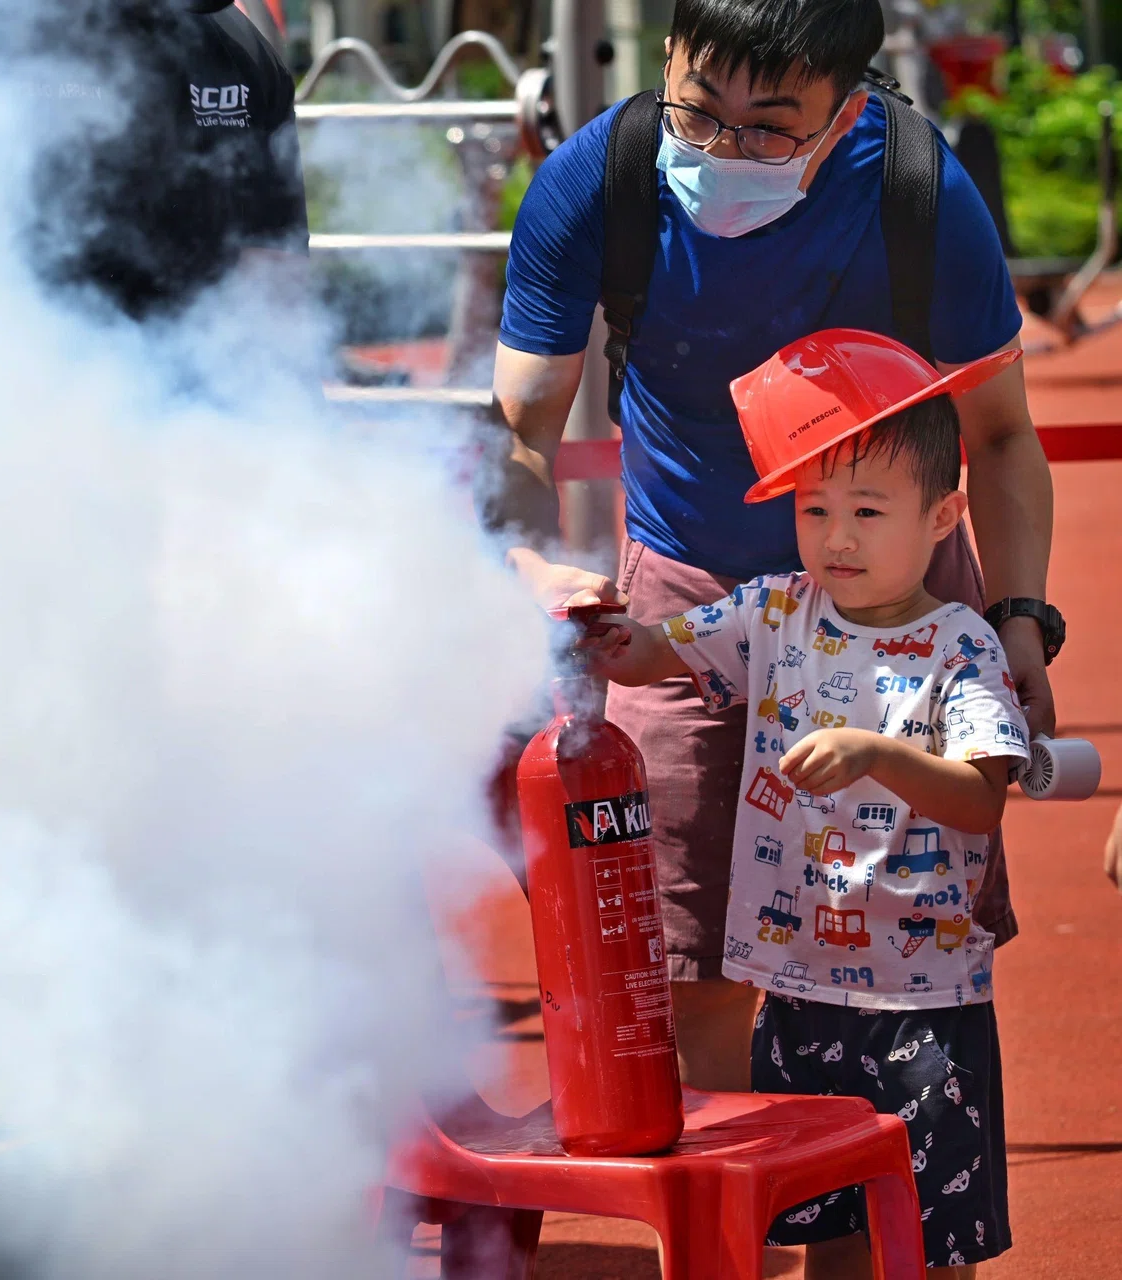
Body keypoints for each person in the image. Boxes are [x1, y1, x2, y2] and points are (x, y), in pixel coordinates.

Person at [488, 0, 1060, 1090]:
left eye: (769, 129)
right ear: (665, 61)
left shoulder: (917, 194)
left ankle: (904, 1239)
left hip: (893, 610)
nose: (724, 152)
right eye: (699, 114)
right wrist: (535, 561)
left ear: (847, 113)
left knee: (906, 969)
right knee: (687, 970)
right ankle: (730, 1229)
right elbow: (522, 431)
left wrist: (1021, 616)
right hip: (684, 603)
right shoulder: (593, 182)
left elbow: (1000, 433)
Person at [590, 328, 1027, 1277]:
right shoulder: (776, 611)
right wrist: (606, 634)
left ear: (944, 516)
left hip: (924, 999)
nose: (836, 536)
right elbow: (663, 647)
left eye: (868, 510)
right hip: (796, 991)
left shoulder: (960, 645)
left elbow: (982, 799)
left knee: (927, 1239)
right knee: (825, 1233)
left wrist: (878, 754)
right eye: (815, 506)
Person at [20, 0, 310, 322]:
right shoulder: (25, 38)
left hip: (203, 346)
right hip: (43, 347)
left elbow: (274, 258)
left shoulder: (247, 57)